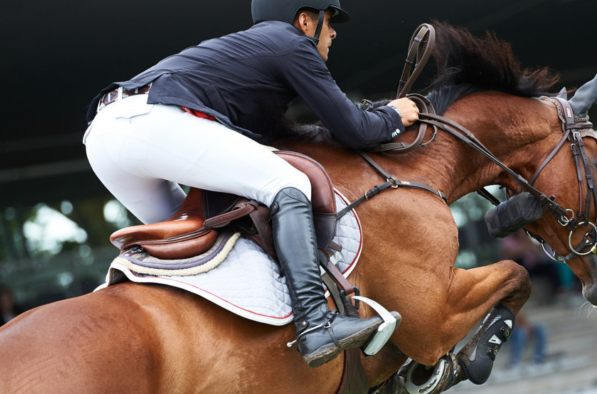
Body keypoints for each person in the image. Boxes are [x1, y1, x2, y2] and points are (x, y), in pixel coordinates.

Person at [83, 0, 419, 368]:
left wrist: (368, 116)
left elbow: (281, 136)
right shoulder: (292, 43)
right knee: (288, 182)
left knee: (193, 237)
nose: (334, 32)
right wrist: (393, 116)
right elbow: (355, 131)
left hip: (103, 135)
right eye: (329, 21)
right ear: (305, 21)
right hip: (150, 122)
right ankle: (315, 323)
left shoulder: (250, 54)